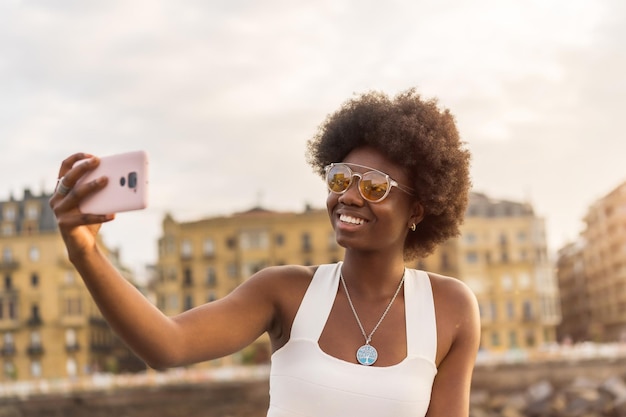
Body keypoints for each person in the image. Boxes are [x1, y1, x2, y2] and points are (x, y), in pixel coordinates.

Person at [50, 88, 480, 416]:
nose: (348, 196)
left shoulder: (450, 307)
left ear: (418, 209)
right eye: (339, 179)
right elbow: (168, 345)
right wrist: (85, 252)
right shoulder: (284, 291)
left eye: (373, 186)